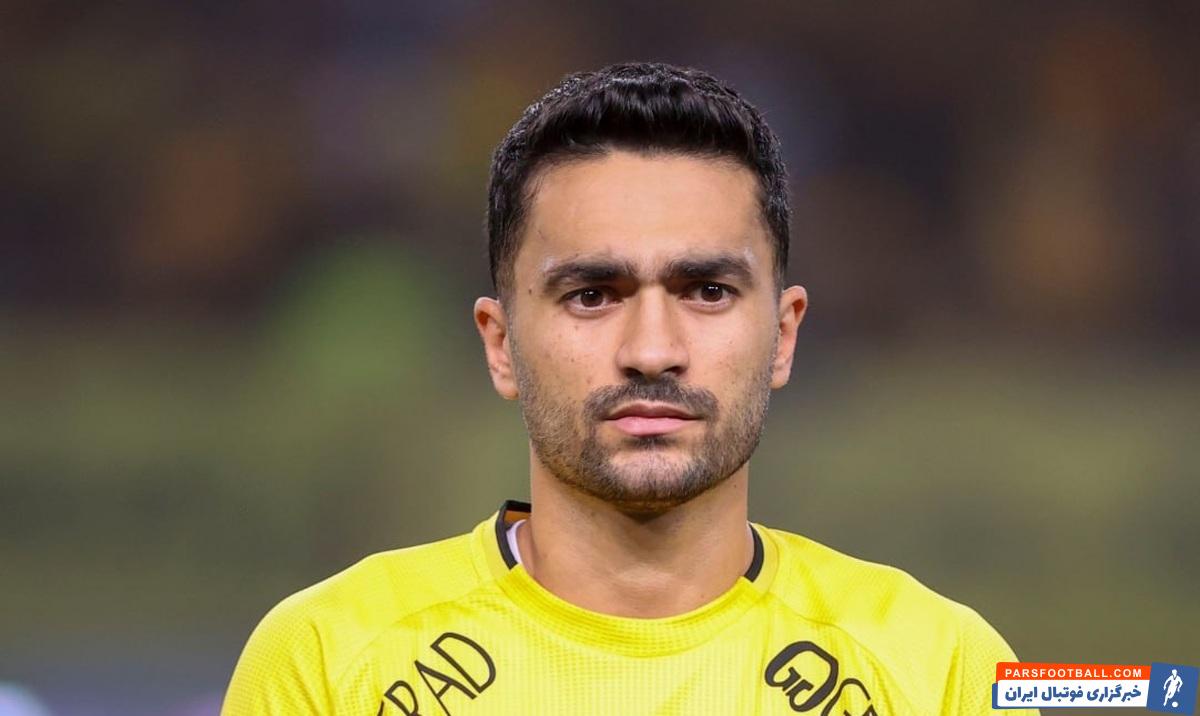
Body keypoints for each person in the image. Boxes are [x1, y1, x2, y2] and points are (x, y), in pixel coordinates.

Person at [221, 62, 1037, 715]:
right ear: (500, 345)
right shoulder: (327, 660)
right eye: (592, 295)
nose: (652, 351)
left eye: (707, 291)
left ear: (784, 335)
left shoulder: (944, 671)